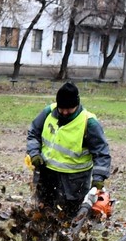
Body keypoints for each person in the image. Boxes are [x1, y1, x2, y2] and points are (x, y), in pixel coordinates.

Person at [26, 82, 111, 217]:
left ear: (76, 105)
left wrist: (98, 179)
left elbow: (102, 153)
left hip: (74, 181)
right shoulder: (49, 112)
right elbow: (33, 133)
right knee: (43, 211)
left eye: (69, 109)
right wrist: (34, 153)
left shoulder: (89, 123)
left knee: (69, 217)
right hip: (47, 174)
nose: (65, 112)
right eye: (62, 108)